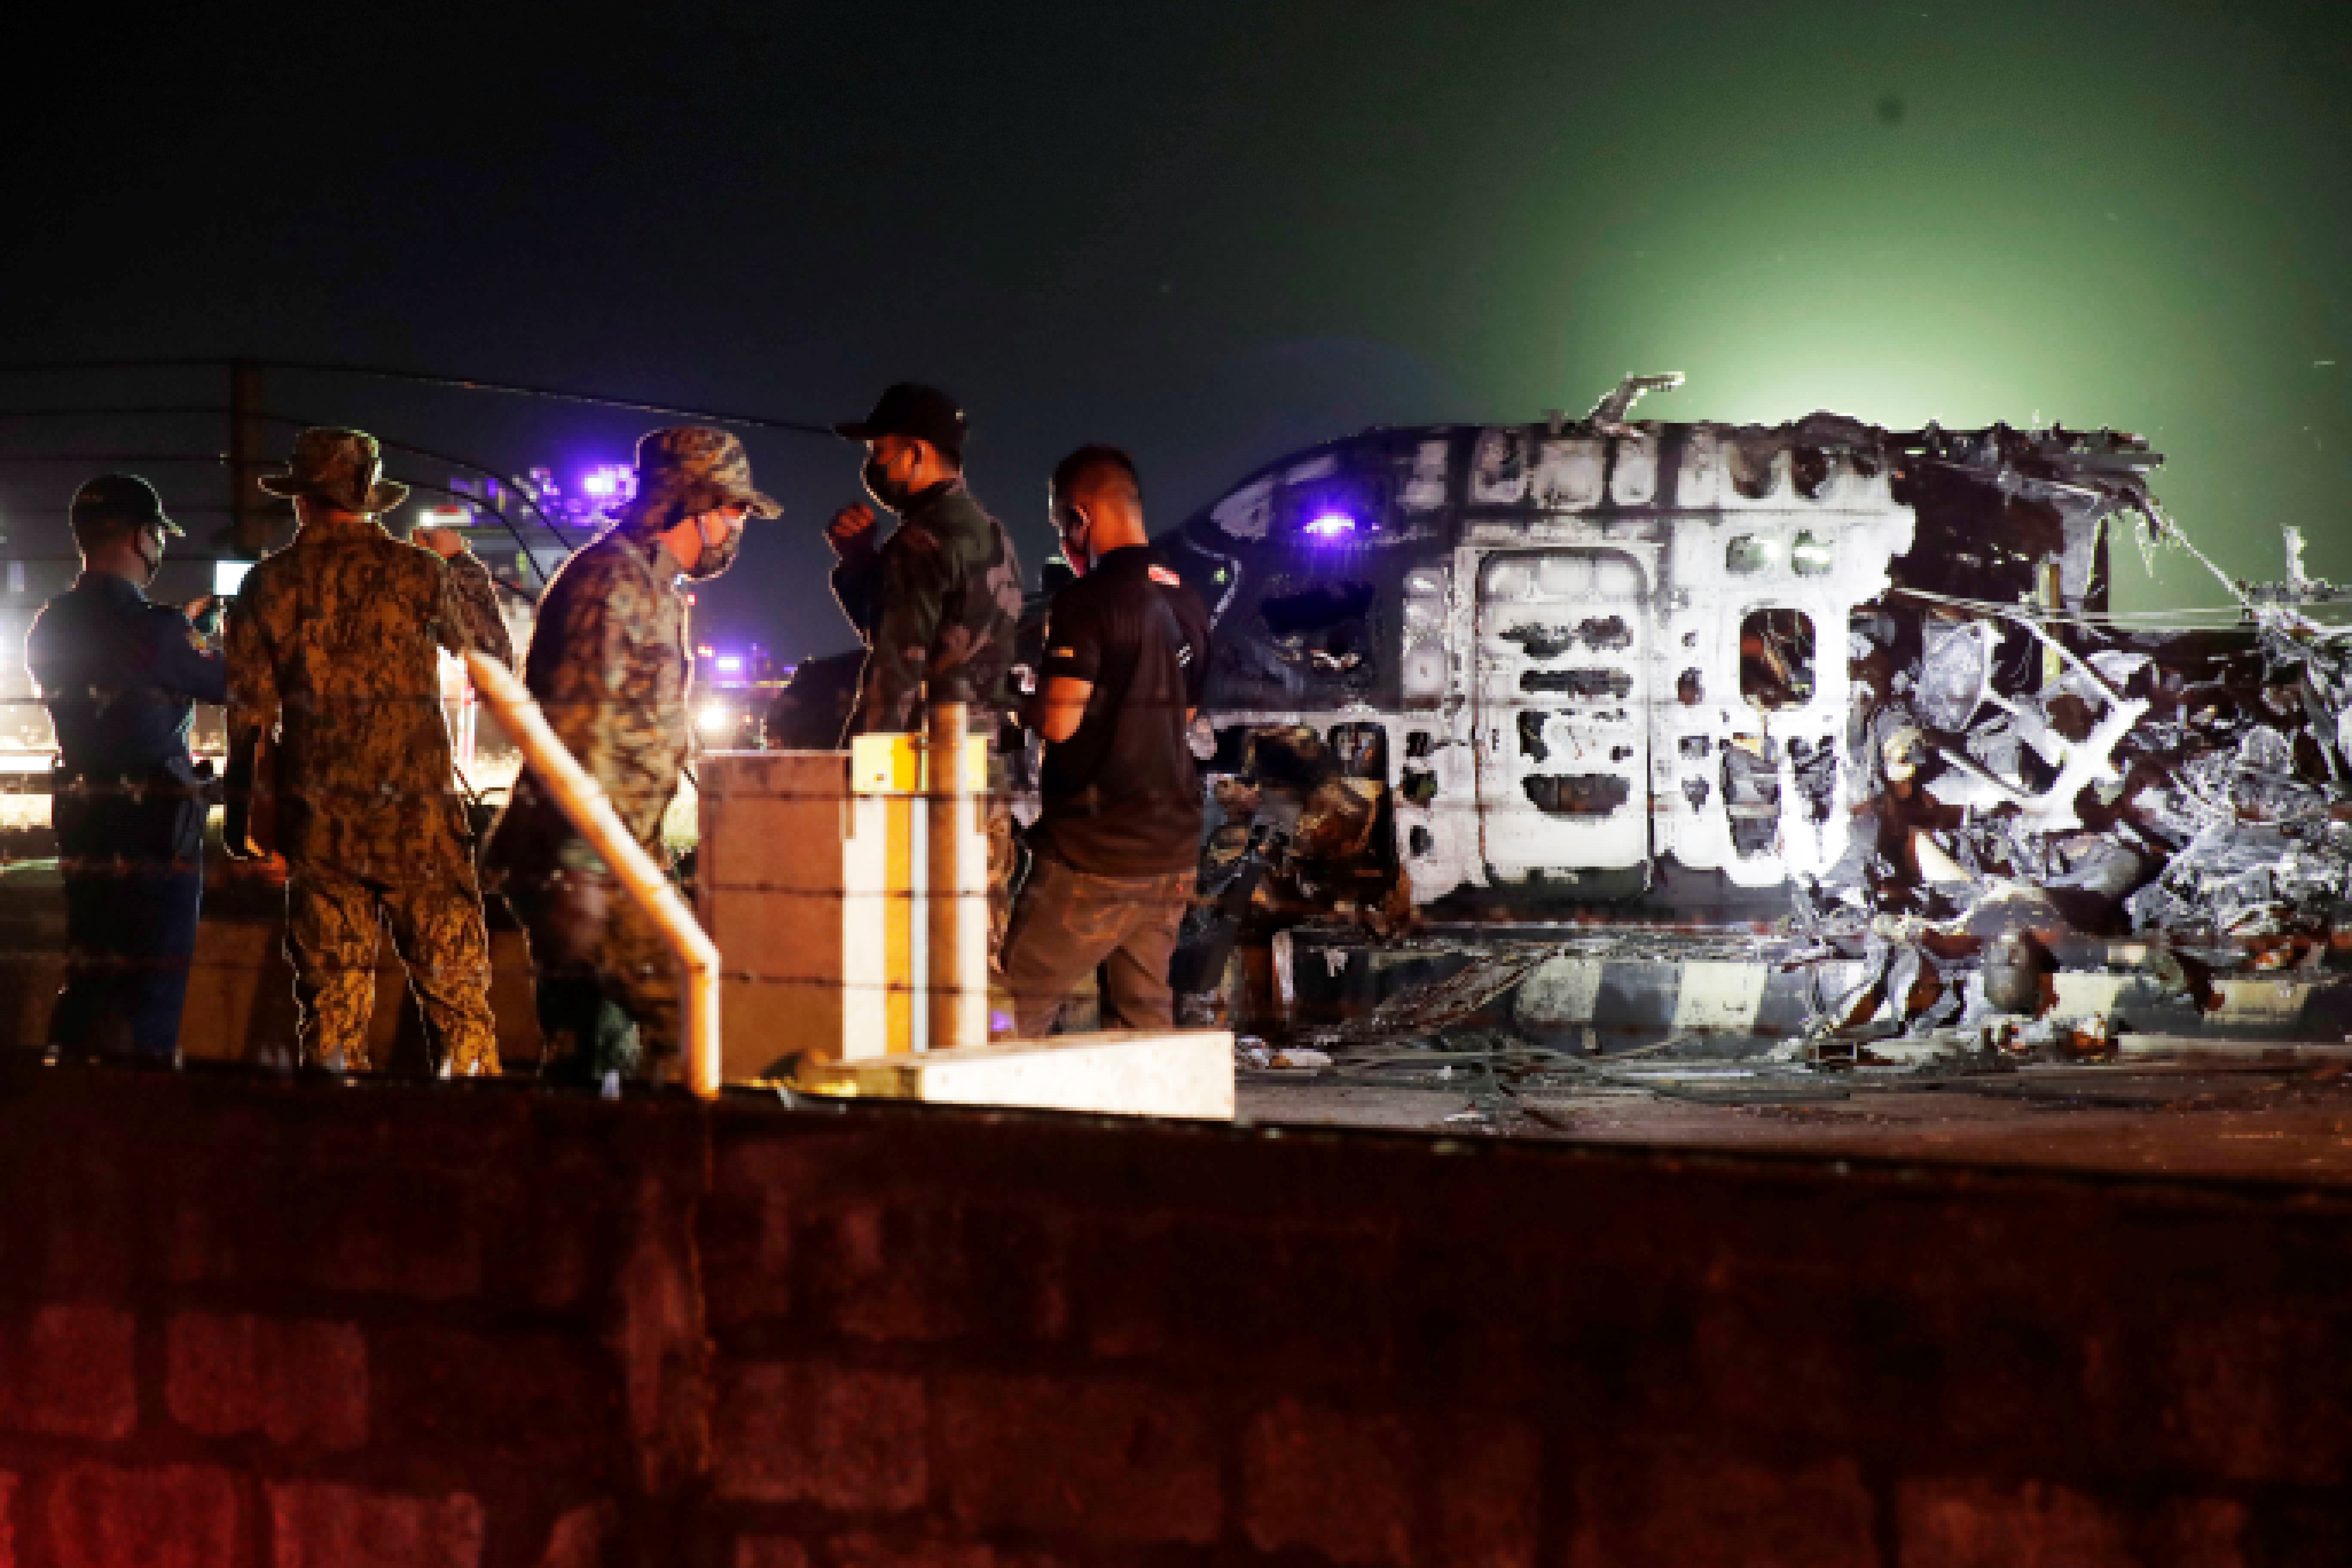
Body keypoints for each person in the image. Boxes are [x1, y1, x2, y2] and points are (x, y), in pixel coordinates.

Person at [483, 426, 776, 1084]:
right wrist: (588, 878)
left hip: (616, 853)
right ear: (695, 503)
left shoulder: (649, 583)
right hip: (589, 858)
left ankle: (596, 1171)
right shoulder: (610, 582)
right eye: (734, 509)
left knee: (598, 1050)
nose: (737, 528)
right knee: (689, 1011)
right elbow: (583, 737)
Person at [223, 428, 514, 1075]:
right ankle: (479, 1147)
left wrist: (254, 837)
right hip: (422, 831)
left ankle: (336, 1153)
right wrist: (461, 563)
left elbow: (250, 723)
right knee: (461, 1012)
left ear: (300, 498)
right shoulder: (419, 572)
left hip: (320, 831)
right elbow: (492, 659)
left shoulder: (268, 586)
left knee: (331, 1022)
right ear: (370, 495)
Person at [998, 445, 1211, 1037]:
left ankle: (995, 1127)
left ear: (1080, 518)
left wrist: (1017, 704)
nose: (1064, 542)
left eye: (1060, 526)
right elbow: (1184, 716)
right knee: (1143, 1021)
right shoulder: (1188, 600)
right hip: (1170, 851)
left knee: (1011, 1013)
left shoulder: (1085, 600)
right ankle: (1152, 1125)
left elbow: (1060, 722)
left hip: (1096, 854)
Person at [24, 475, 227, 1062]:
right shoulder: (159, 630)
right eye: (158, 535)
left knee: (90, 975)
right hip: (155, 830)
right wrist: (204, 638)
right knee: (150, 992)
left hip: (85, 822)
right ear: (142, 538)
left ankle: (64, 1108)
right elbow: (227, 679)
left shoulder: (49, 625)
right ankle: (136, 1118)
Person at [827, 383, 1028, 953]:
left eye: (879, 452)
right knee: (979, 944)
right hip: (982, 769)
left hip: (928, 776)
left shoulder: (920, 539)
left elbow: (899, 671)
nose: (873, 466)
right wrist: (863, 566)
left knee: (917, 954)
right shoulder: (993, 533)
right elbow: (945, 643)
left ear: (914, 454)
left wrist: (857, 783)